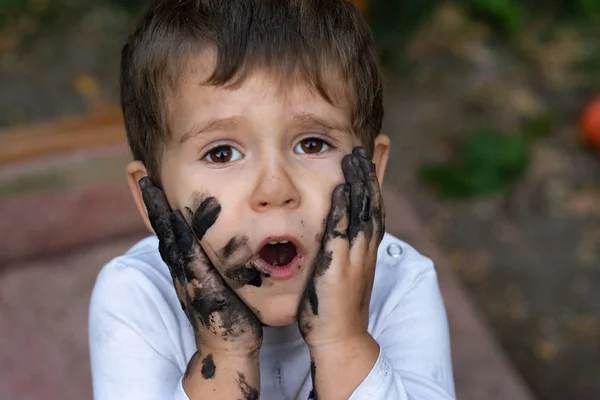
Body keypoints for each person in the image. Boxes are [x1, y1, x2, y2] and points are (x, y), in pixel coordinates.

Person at [88, 0, 455, 399]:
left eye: (312, 144)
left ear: (373, 176)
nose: (275, 189)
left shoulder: (402, 285)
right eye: (222, 153)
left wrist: (342, 343)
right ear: (151, 199)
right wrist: (225, 355)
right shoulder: (135, 297)